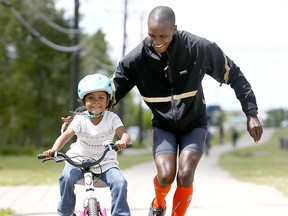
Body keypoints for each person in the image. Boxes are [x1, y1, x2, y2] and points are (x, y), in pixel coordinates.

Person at [62, 6, 263, 216]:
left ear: (174, 29)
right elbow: (106, 95)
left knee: (185, 174)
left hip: (194, 123)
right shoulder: (136, 60)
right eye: (152, 36)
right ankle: (158, 203)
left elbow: (235, 75)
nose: (157, 41)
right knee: (166, 176)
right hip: (163, 126)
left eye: (163, 36)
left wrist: (251, 113)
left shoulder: (198, 48)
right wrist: (79, 117)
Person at [43, 73, 131, 216]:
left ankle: (120, 214)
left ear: (108, 100)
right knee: (66, 178)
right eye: (91, 98)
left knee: (120, 183)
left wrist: (122, 142)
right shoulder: (80, 119)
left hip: (106, 162)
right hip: (78, 159)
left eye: (101, 98)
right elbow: (65, 136)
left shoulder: (112, 118)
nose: (96, 101)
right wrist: (53, 150)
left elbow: (124, 134)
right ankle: (65, 213)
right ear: (84, 102)